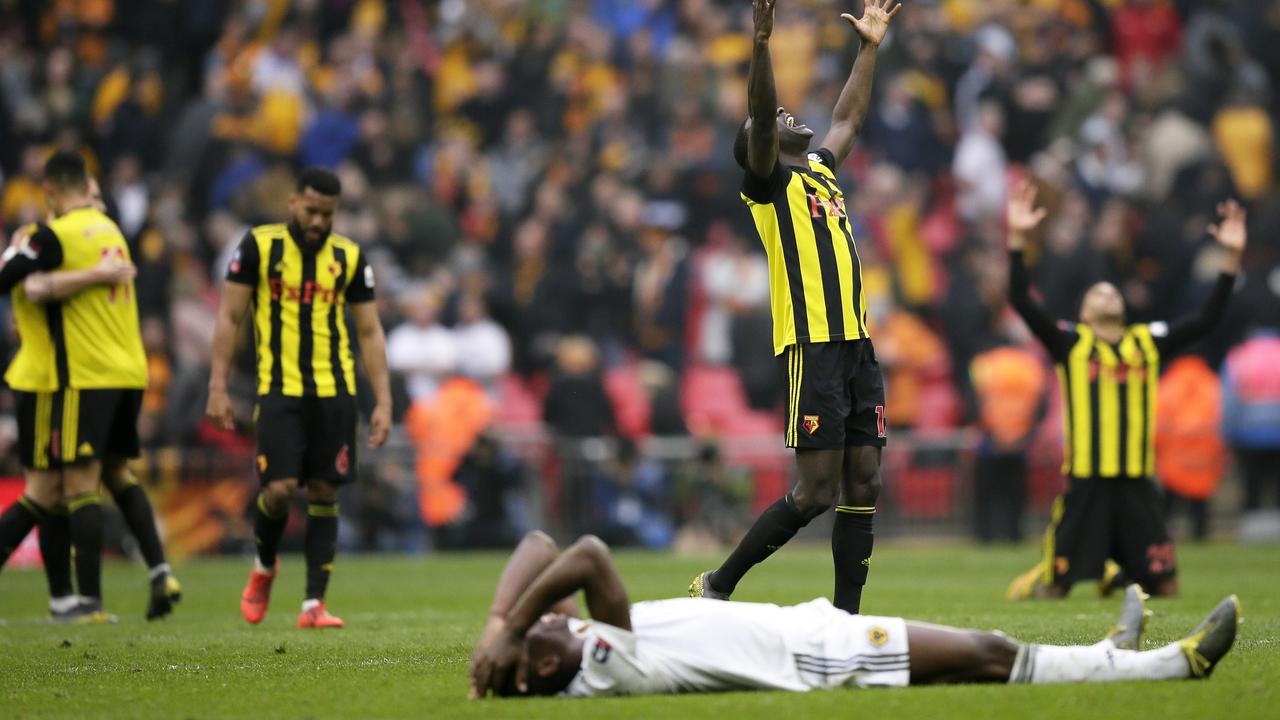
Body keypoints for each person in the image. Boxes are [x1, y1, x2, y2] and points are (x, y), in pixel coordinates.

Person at [688, 0, 899, 614]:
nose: (787, 115)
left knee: (865, 481)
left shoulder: (820, 172)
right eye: (774, 116)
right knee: (813, 492)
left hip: (857, 345)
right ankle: (718, 584)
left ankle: (845, 620)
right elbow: (758, 109)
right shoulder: (768, 184)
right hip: (810, 346)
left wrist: (870, 48)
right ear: (757, 142)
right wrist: (760, 42)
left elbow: (849, 118)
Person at [470, 532, 1239, 699]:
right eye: (546, 630)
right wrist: (506, 626)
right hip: (814, 659)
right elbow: (587, 556)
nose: (556, 619)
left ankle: (1111, 651)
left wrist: (499, 625)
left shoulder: (567, 648)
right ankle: (1169, 664)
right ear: (544, 664)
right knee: (984, 651)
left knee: (983, 651)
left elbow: (537, 543)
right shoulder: (606, 664)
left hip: (803, 631)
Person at [1003, 182, 1245, 599]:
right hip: (1086, 481)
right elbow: (1021, 299)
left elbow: (1206, 319)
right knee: (1056, 586)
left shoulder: (1147, 341)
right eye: (1098, 293)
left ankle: (1121, 575)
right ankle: (1103, 578)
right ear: (1083, 313)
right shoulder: (1071, 342)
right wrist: (1018, 240)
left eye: (1112, 290)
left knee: (1166, 584)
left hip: (1136, 481)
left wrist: (1231, 258)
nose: (1107, 292)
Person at [206, 167, 392, 629]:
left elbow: (369, 331)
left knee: (326, 489)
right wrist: (217, 386)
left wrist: (384, 401)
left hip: (335, 392)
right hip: (279, 389)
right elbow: (230, 318)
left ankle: (314, 605)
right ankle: (264, 566)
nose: (317, 222)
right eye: (310, 210)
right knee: (279, 490)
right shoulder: (258, 247)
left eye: (327, 214)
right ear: (292, 203)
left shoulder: (349, 257)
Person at [0, 152, 176, 622]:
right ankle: (86, 598)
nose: (97, 206)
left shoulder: (66, 238)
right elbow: (26, 286)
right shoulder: (63, 239)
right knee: (52, 490)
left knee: (58, 490)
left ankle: (68, 599)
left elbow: (29, 285)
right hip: (48, 379)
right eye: (93, 196)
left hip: (73, 376)